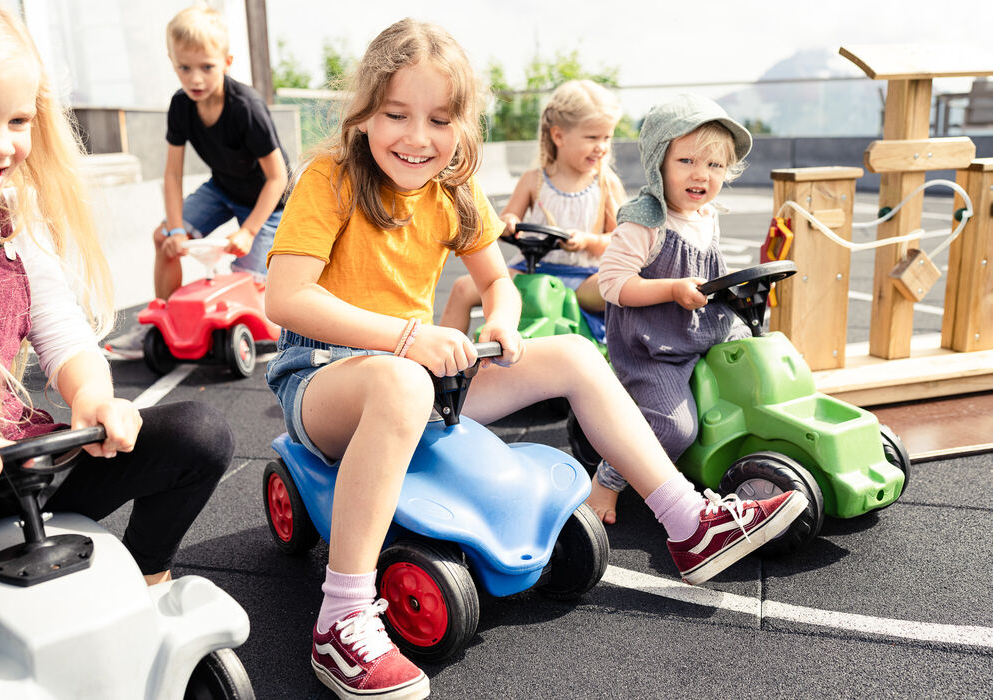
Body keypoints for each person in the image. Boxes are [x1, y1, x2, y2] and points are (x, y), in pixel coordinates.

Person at [264, 20, 806, 700]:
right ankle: (340, 621)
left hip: (420, 372)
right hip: (324, 377)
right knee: (404, 383)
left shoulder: (452, 192)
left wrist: (503, 320)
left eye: (439, 119)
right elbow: (286, 298)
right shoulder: (332, 178)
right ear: (365, 112)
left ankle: (686, 521)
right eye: (396, 115)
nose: (417, 138)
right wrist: (406, 339)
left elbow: (494, 281)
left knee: (576, 353)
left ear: (461, 127)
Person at [0, 0, 233, 588]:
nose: (2, 145)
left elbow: (58, 325)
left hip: (15, 469)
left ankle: (148, 582)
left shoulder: (8, 221)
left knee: (200, 436)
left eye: (18, 121)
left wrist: (95, 398)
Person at [591, 94, 755, 523]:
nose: (701, 175)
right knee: (672, 427)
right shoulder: (645, 221)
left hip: (705, 327)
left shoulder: (706, 214)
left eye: (714, 166)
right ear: (658, 163)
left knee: (761, 356)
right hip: (655, 347)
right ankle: (607, 480)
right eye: (687, 161)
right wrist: (671, 290)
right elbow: (612, 284)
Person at [107, 3, 290, 357]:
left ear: (227, 62)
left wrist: (249, 231)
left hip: (268, 201)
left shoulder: (246, 108)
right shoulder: (181, 106)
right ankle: (157, 323)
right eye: (184, 68)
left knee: (248, 280)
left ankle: (277, 338)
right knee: (163, 238)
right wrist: (176, 230)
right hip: (222, 188)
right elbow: (172, 172)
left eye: (206, 67)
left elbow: (277, 176)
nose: (195, 79)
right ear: (172, 62)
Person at [438, 79, 626, 337]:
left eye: (607, 137)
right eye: (592, 137)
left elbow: (619, 240)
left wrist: (587, 241)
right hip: (532, 269)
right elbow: (507, 219)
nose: (602, 147)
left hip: (582, 277)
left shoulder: (605, 184)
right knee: (462, 287)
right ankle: (442, 364)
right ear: (558, 136)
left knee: (621, 291)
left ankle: (624, 354)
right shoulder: (533, 180)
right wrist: (511, 223)